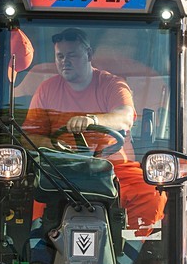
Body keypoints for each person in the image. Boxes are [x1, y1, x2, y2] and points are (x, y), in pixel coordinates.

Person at [23, 28, 166, 236]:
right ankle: (40, 252)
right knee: (30, 196)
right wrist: (55, 146)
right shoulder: (47, 89)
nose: (65, 61)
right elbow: (29, 136)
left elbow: (124, 116)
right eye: (60, 56)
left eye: (72, 55)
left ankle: (130, 254)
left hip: (113, 169)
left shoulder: (113, 85)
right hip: (62, 170)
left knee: (151, 195)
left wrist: (92, 120)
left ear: (89, 55)